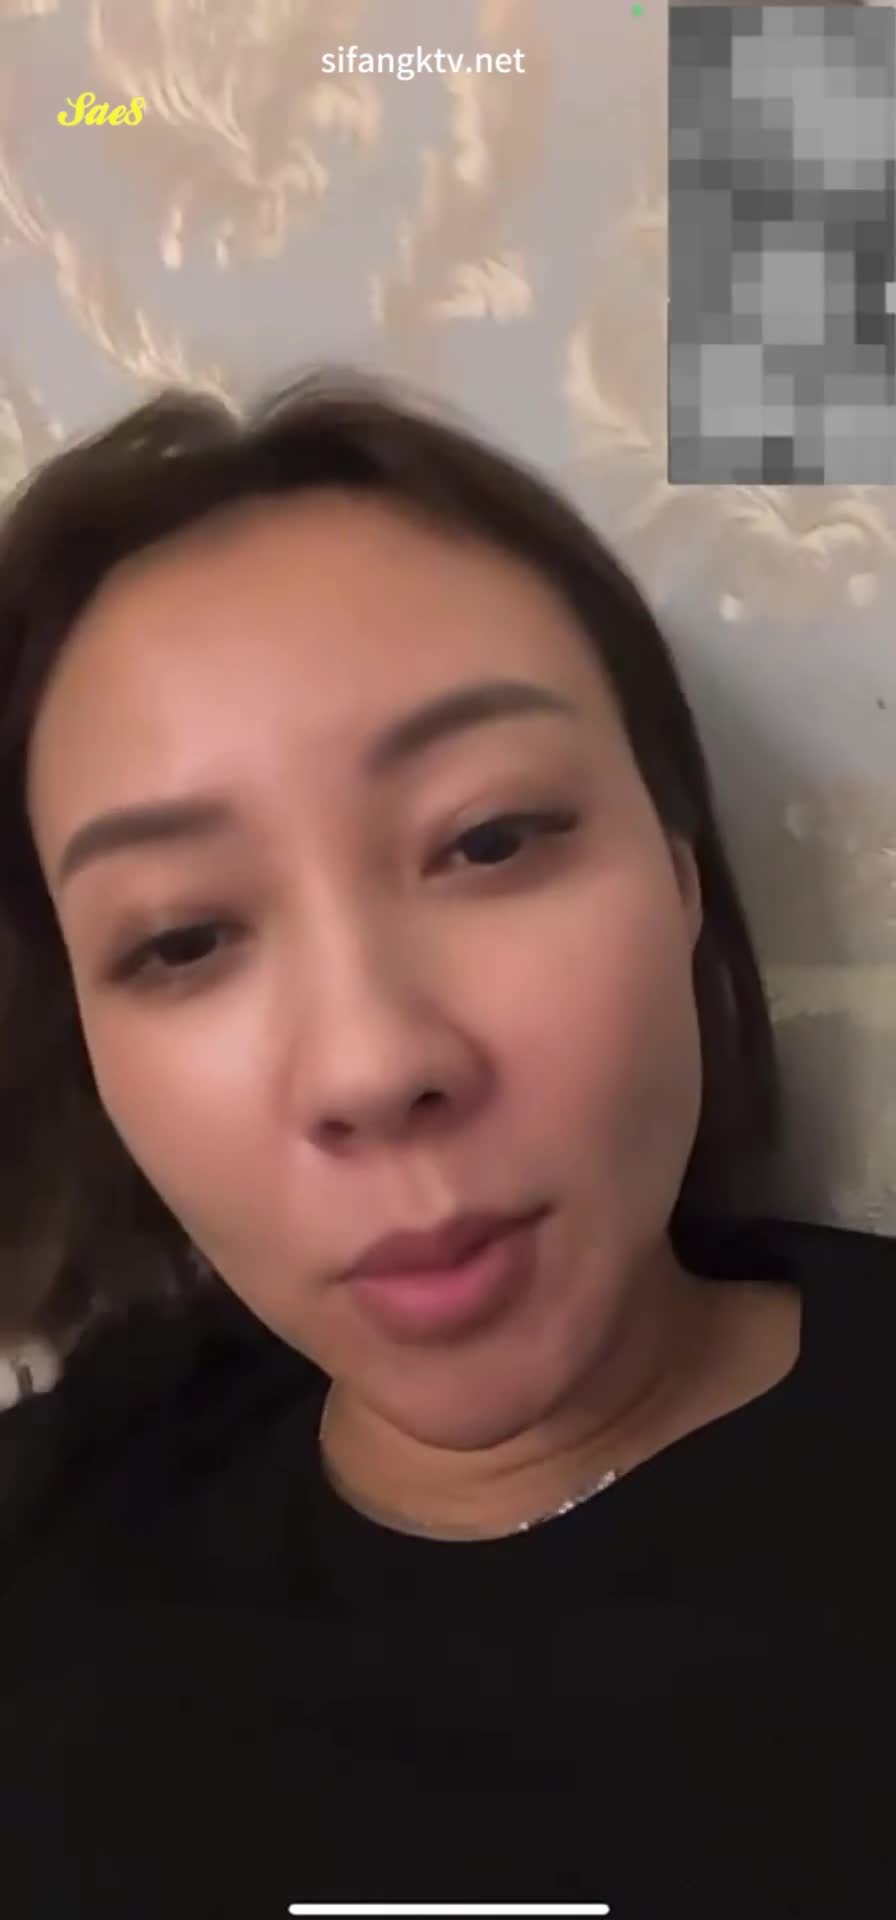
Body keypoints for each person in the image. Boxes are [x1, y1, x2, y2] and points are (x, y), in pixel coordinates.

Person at [0, 368, 893, 1920]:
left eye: (489, 839)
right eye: (183, 939)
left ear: (680, 873)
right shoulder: (56, 1521)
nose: (372, 1065)